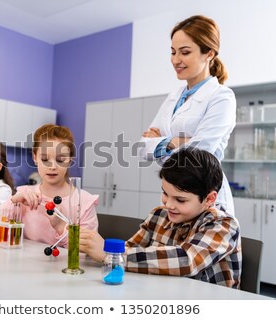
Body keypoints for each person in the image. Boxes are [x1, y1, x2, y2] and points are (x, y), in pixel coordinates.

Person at [80, 148, 241, 289]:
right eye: (165, 193)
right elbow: (130, 249)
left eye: (180, 200)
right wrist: (96, 250)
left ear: (209, 199)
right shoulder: (159, 215)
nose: (168, 204)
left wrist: (112, 255)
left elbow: (187, 260)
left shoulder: (223, 224)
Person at [138, 15, 236, 215]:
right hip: (174, 196)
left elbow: (198, 156)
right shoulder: (173, 97)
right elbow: (141, 148)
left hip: (205, 198)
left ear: (209, 53)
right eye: (173, 52)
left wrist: (159, 143)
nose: (175, 60)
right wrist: (173, 142)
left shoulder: (221, 97)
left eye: (185, 52)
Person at [0, 124, 99, 246]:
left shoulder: (84, 202)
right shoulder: (24, 196)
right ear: (35, 157)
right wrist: (12, 202)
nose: (52, 166)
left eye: (60, 160)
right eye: (45, 159)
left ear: (70, 160)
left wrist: (61, 227)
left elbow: (85, 253)